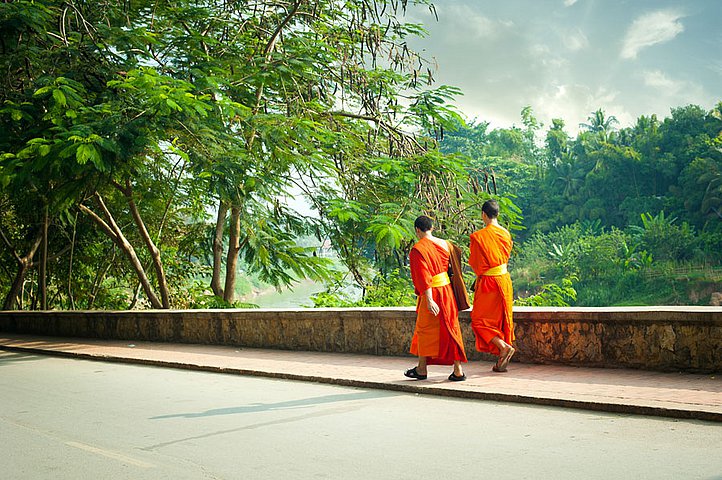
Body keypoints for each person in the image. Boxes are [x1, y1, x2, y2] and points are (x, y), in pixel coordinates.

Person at [404, 215, 468, 382]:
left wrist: (430, 299)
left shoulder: (418, 249)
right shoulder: (446, 244)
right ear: (431, 228)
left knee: (424, 330)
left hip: (431, 293)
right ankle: (457, 369)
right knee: (451, 327)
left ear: (417, 230)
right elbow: (456, 260)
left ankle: (422, 369)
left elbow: (424, 276)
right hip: (447, 290)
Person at [469, 199, 516, 372]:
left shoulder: (479, 236)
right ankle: (501, 355)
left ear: (483, 214)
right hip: (504, 280)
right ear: (497, 214)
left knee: (479, 320)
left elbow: (476, 264)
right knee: (500, 318)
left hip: (489, 282)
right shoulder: (505, 233)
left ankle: (503, 347)